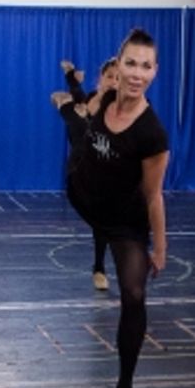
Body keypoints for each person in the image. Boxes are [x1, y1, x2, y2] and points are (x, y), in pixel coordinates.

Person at [65, 28, 169, 388]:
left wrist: (159, 249)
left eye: (146, 66)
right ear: (118, 66)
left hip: (125, 220)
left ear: (154, 72)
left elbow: (154, 196)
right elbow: (88, 115)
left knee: (135, 293)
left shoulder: (152, 133)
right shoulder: (105, 98)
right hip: (84, 195)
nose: (137, 73)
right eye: (130, 63)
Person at [52, 58, 117, 289]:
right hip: (80, 169)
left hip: (105, 170)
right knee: (76, 111)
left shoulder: (123, 108)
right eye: (110, 76)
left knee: (103, 219)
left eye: (119, 78)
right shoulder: (88, 100)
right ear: (101, 78)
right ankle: (68, 87)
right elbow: (83, 99)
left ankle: (99, 268)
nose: (114, 82)